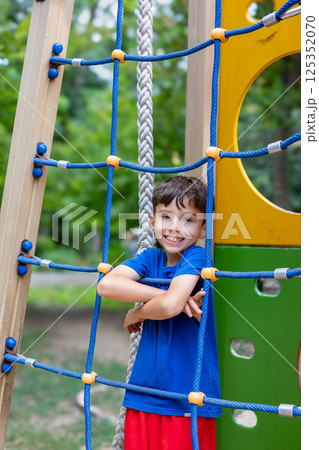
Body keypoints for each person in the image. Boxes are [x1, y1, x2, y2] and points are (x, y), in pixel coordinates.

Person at [97, 176, 222, 450]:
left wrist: (137, 314)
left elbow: (168, 307)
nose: (175, 228)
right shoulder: (149, 258)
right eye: (166, 217)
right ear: (152, 222)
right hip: (143, 392)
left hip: (187, 395)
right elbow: (106, 285)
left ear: (203, 228)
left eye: (188, 219)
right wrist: (171, 297)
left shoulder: (198, 258)